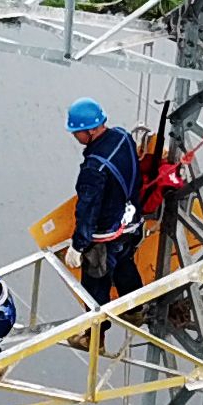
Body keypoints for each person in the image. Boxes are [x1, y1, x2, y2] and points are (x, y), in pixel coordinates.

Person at [64, 99, 143, 317]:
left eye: (76, 132)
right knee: (124, 265)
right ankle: (136, 311)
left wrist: (78, 246)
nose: (74, 136)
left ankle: (94, 335)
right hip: (131, 224)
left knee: (95, 284)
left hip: (106, 236)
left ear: (89, 131)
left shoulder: (93, 168)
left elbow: (87, 210)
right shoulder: (123, 137)